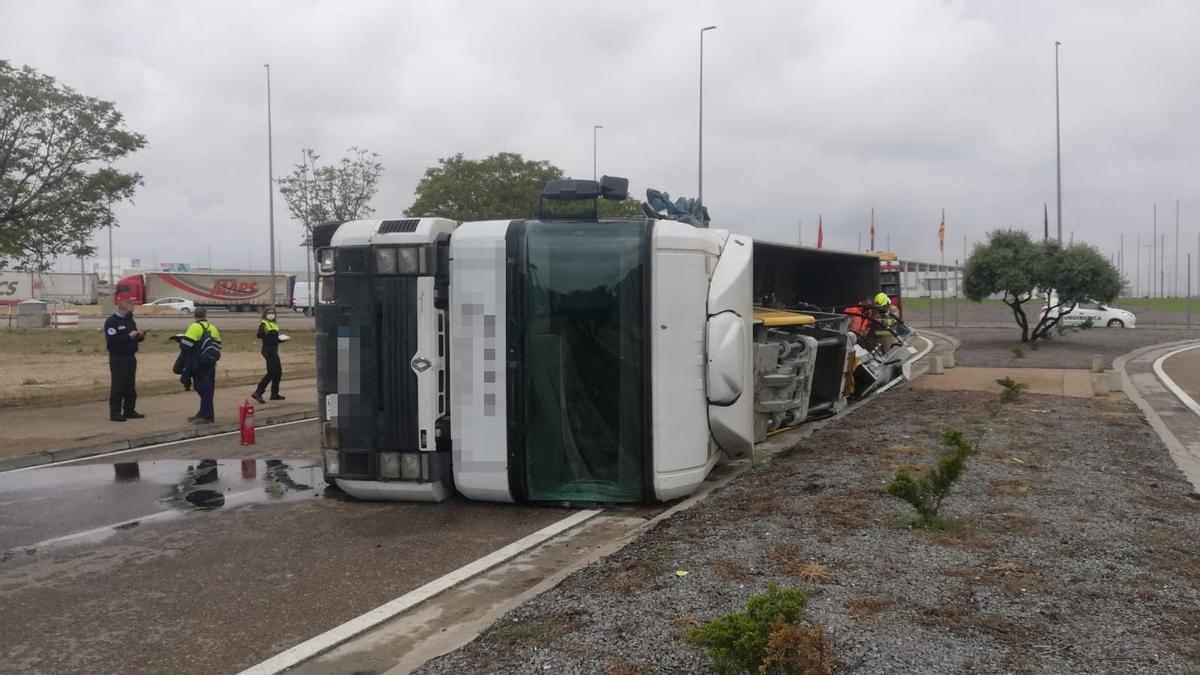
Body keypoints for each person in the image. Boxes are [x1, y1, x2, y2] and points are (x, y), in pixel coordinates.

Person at [105, 299, 146, 422]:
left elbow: (134, 337)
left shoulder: (130, 321)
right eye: (130, 311)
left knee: (130, 385)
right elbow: (112, 340)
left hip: (130, 356)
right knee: (119, 385)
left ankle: (129, 410)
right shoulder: (112, 321)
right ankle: (115, 412)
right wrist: (129, 336)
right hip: (118, 357)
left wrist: (139, 336)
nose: (132, 313)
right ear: (123, 309)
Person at [181, 308, 221, 424]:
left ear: (195, 315)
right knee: (207, 388)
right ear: (205, 315)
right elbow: (218, 343)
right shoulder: (212, 327)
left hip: (198, 362)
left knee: (202, 388)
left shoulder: (194, 327)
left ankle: (207, 415)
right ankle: (203, 412)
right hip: (210, 362)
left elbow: (185, 345)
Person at [251, 306, 285, 404]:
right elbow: (259, 335)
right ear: (265, 314)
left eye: (272, 312)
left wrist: (281, 340)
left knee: (278, 372)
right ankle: (258, 392)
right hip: (268, 350)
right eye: (269, 313)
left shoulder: (274, 323)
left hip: (274, 349)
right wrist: (263, 332)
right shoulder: (264, 324)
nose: (271, 314)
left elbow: (274, 338)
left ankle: (274, 394)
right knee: (271, 372)